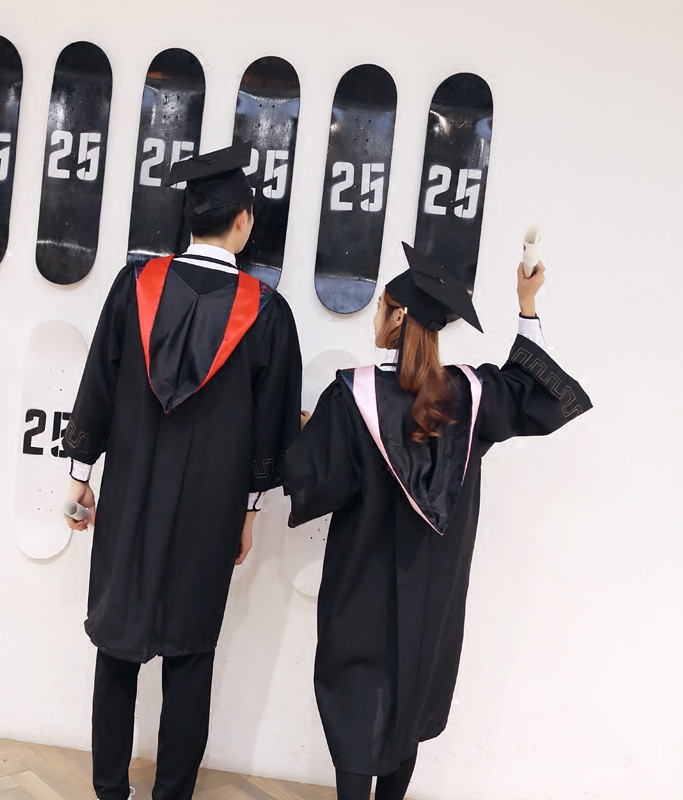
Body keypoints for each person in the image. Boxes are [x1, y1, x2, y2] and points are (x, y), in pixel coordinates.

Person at [283, 242, 592, 800]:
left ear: (399, 316)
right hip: (433, 589)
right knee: (410, 699)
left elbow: (314, 476)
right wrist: (526, 305)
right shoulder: (471, 396)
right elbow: (537, 394)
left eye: (381, 306)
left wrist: (310, 430)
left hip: (360, 584)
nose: (375, 316)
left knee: (357, 701)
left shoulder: (351, 397)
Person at [62, 142, 302, 800]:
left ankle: (110, 793)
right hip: (210, 511)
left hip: (130, 500)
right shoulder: (266, 314)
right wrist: (249, 512)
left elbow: (99, 385)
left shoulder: (136, 287)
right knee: (191, 657)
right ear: (244, 221)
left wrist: (81, 473)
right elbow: (269, 430)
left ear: (189, 216)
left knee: (118, 649)